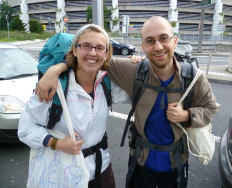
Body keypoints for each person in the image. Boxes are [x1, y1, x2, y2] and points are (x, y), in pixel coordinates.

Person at [35, 16, 219, 188]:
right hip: (141, 162)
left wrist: (187, 115)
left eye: (164, 38)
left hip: (176, 163)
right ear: (143, 46)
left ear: (175, 41)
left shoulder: (193, 77)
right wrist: (56, 69)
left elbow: (210, 109)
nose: (157, 46)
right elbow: (91, 58)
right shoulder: (134, 71)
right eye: (150, 41)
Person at [18, 24, 132, 188]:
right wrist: (56, 143)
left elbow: (139, 95)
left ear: (106, 54)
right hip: (63, 175)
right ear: (75, 50)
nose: (92, 52)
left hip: (101, 170)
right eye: (86, 45)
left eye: (100, 48)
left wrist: (137, 66)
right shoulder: (54, 87)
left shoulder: (107, 84)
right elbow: (25, 128)